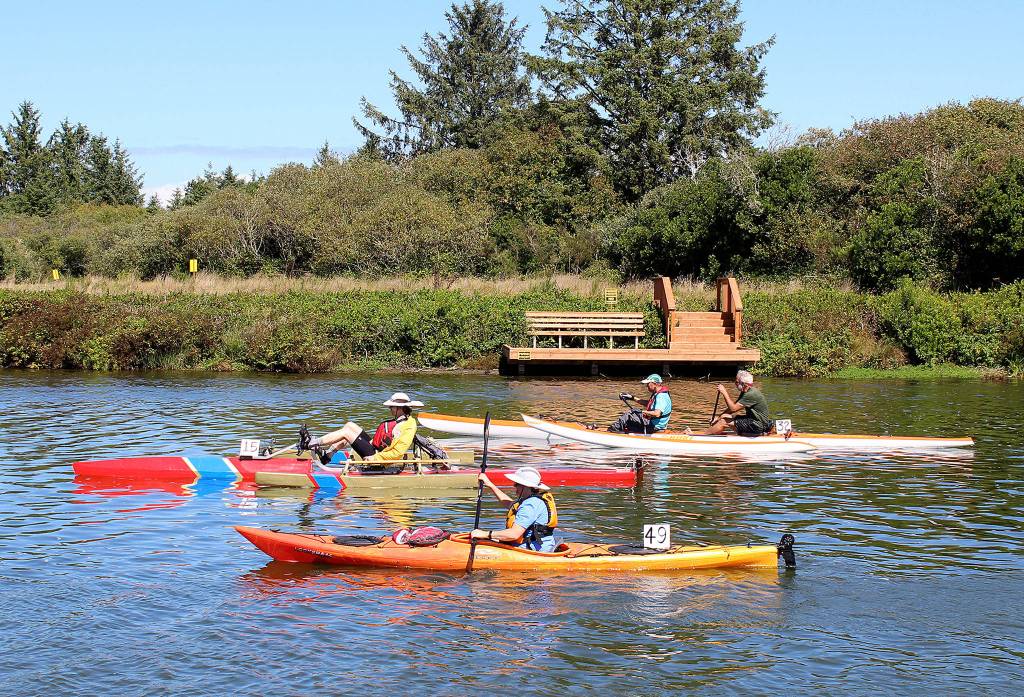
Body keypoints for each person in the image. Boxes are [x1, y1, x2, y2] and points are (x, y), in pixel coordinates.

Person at [300, 392, 423, 464]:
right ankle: (327, 456)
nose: (389, 409)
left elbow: (398, 453)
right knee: (350, 425)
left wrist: (375, 458)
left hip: (379, 457)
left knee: (346, 433)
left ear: (400, 408)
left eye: (391, 407)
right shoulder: (402, 420)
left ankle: (311, 443)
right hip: (377, 448)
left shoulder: (408, 427)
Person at [470, 467, 558, 552]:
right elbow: (509, 504)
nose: (514, 486)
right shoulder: (531, 500)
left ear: (525, 486)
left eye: (516, 484)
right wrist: (490, 484)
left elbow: (514, 534)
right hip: (538, 544)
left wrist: (486, 534)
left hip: (533, 550)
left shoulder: (530, 505)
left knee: (489, 539)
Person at [691, 370, 771, 436]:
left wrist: (724, 392)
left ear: (743, 384)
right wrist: (718, 418)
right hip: (753, 421)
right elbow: (732, 409)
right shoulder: (746, 391)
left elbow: (733, 408)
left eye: (736, 382)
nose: (735, 384)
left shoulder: (751, 394)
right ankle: (713, 433)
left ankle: (702, 437)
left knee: (723, 422)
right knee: (724, 416)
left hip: (757, 425)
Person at [607, 373, 672, 434]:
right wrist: (632, 398)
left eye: (648, 384)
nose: (647, 386)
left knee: (629, 415)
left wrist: (643, 412)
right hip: (654, 424)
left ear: (654, 384)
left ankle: (611, 431)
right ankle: (619, 429)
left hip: (654, 427)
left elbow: (657, 414)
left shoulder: (661, 396)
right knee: (634, 412)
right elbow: (649, 403)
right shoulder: (658, 393)